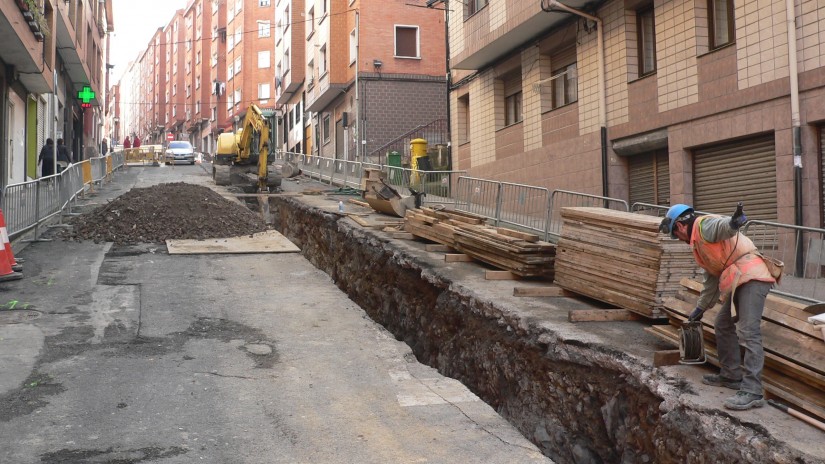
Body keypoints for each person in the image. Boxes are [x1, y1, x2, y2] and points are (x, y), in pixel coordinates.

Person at [659, 203, 775, 411]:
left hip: (753, 276)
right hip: (741, 278)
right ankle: (731, 376)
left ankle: (752, 391)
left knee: (749, 332)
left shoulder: (704, 227)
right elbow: (711, 282)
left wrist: (733, 222)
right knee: (722, 323)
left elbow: (723, 227)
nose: (679, 240)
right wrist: (699, 310)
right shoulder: (699, 243)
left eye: (675, 234)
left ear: (680, 226)